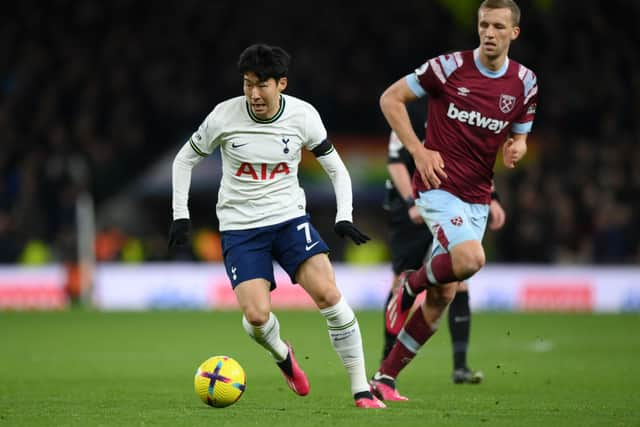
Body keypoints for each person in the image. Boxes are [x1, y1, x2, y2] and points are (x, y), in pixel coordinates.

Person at [168, 44, 385, 409]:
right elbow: (184, 159)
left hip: (288, 220)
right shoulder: (224, 116)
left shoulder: (303, 116)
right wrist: (180, 215)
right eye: (247, 84)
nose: (253, 94)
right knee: (256, 316)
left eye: (262, 85)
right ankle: (283, 355)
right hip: (240, 228)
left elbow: (336, 167)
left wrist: (344, 215)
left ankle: (361, 389)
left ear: (281, 83)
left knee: (329, 295)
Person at [370, 0, 538, 401]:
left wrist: (519, 146)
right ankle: (409, 285)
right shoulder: (447, 68)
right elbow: (390, 99)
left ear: (514, 32)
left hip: (477, 197)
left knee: (443, 296)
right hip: (437, 186)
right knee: (470, 260)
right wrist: (418, 151)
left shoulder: (525, 82)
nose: (489, 33)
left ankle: (385, 378)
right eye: (484, 25)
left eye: (498, 26)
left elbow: (520, 134)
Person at [382, 130, 506, 384]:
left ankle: (460, 366)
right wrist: (410, 201)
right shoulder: (411, 107)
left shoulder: (461, 107)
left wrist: (490, 197)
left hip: (453, 199)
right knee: (400, 282)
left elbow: (477, 155)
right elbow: (395, 163)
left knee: (459, 276)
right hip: (413, 204)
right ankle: (385, 365)